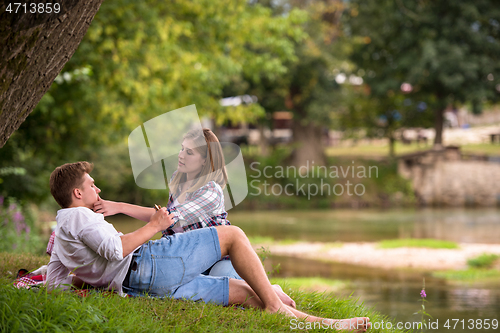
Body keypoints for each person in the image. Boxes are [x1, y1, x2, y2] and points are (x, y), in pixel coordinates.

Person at [47, 161, 370, 332]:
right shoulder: (82, 218)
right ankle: (275, 302)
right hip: (146, 267)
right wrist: (154, 227)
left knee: (244, 293)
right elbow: (117, 249)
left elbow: (56, 274)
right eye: (91, 184)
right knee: (232, 234)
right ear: (78, 194)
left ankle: (327, 325)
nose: (97, 187)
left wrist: (69, 285)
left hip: (141, 284)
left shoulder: (63, 225)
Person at [94, 128, 238, 279]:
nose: (181, 155)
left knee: (221, 279)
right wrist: (118, 207)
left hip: (217, 261)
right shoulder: (178, 180)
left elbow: (169, 218)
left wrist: (120, 207)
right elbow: (164, 218)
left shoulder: (211, 190)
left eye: (189, 152)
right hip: (190, 259)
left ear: (205, 160)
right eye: (182, 149)